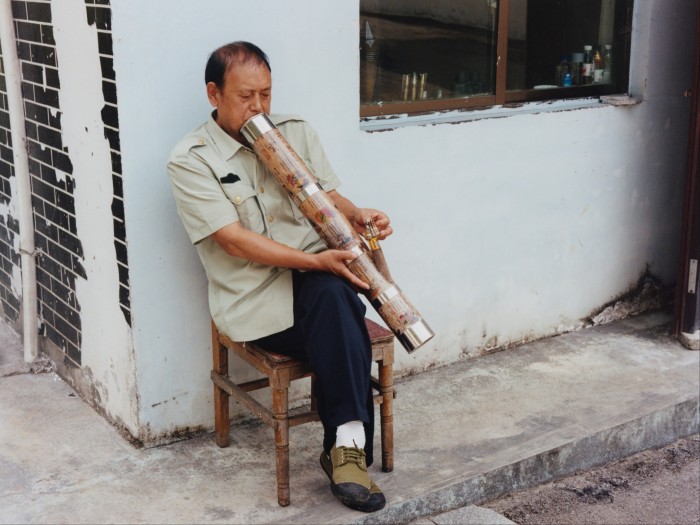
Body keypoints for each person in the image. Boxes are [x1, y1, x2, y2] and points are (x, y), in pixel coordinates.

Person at [167, 41, 392, 513]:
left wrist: (359, 215)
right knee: (339, 310)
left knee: (334, 297)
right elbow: (233, 241)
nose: (259, 107)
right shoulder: (191, 159)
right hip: (255, 302)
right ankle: (346, 452)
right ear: (214, 94)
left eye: (266, 94)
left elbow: (328, 198)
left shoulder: (295, 133)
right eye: (246, 96)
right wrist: (316, 262)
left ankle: (346, 450)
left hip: (319, 286)